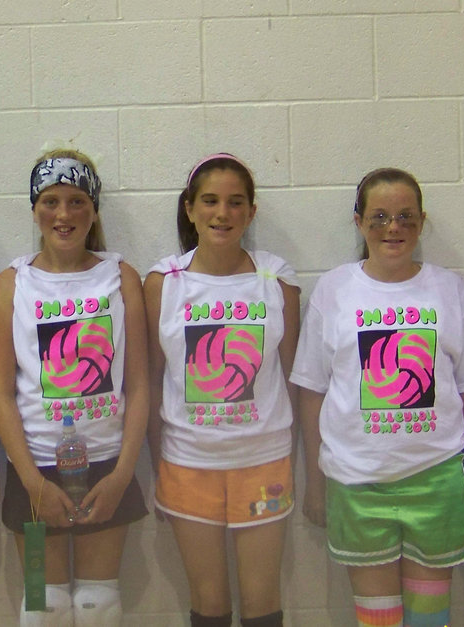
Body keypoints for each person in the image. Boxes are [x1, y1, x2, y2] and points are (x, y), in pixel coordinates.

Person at [290, 168, 464, 627]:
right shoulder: (334, 290)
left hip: (436, 480)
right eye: (379, 217)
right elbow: (312, 395)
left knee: (427, 619)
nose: (393, 228)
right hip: (357, 484)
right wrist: (316, 483)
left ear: (422, 222)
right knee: (377, 620)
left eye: (405, 217)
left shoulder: (448, 289)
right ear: (358, 222)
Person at [0, 148, 149, 626]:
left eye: (78, 201)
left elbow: (139, 385)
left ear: (94, 210)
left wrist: (121, 475)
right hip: (34, 473)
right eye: (51, 201)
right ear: (34, 208)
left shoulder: (121, 279)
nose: (64, 214)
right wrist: (34, 484)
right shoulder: (10, 286)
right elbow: (0, 393)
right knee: (43, 604)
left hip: (105, 468)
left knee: (98, 605)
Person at [144, 154, 298, 627]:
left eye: (235, 203)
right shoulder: (163, 281)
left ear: (251, 212)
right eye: (210, 201)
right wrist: (155, 465)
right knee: (209, 602)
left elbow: (293, 375)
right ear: (189, 209)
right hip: (188, 463)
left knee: (262, 600)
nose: (222, 213)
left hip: (263, 461)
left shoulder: (276, 279)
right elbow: (150, 382)